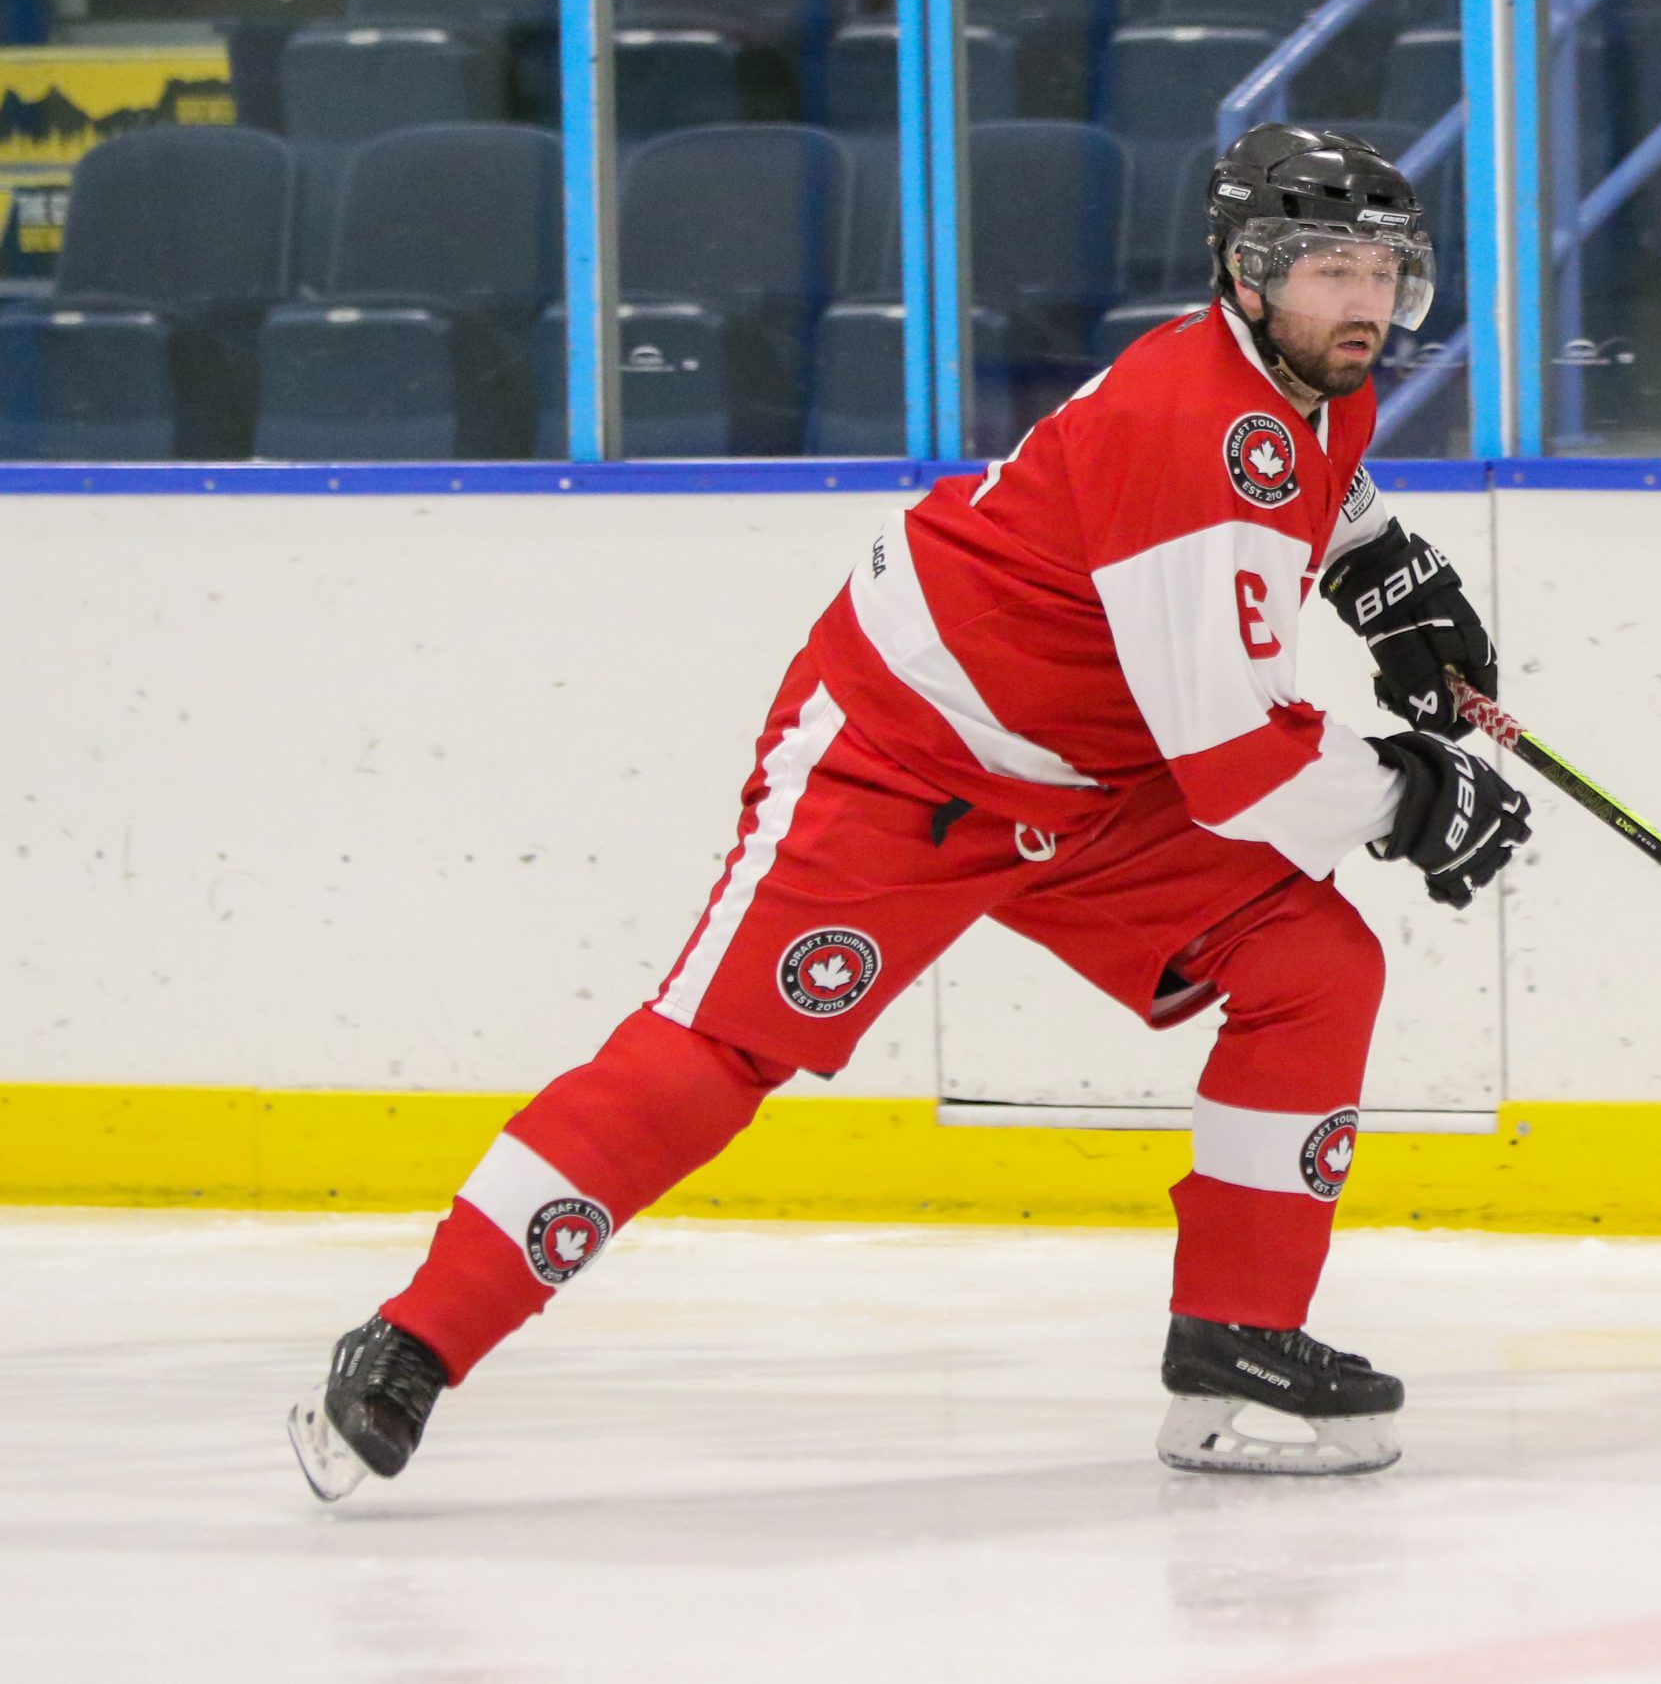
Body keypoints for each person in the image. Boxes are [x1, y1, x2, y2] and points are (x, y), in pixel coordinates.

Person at [288, 123, 1529, 1497]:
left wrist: (1384, 567)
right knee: (717, 1055)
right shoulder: (1192, 430)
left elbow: (1315, 494)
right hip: (905, 761)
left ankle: (1237, 1343)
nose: (1361, 305)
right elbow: (1236, 767)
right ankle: (413, 1341)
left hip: (1094, 778)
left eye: (1382, 271)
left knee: (1309, 964)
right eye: (1327, 271)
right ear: (1245, 275)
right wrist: (1410, 793)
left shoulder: (1310, 380)